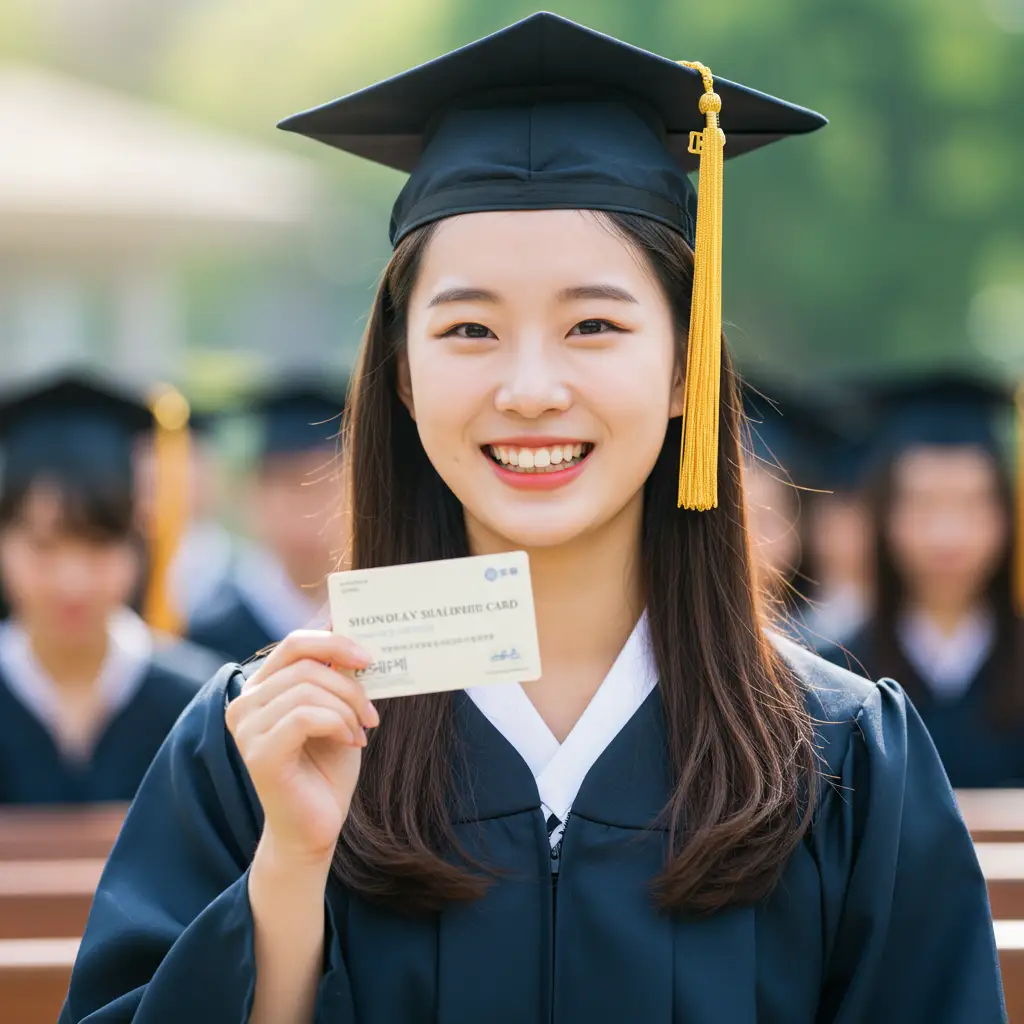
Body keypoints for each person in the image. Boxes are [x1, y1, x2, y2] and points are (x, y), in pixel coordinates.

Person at [60, 14, 1004, 1023]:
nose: (530, 389)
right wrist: (289, 869)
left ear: (684, 367)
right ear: (402, 375)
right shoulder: (266, 741)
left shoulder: (840, 756)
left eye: (593, 324)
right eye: (470, 328)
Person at [0, 371, 215, 804]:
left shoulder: (203, 704)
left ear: (140, 541)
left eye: (100, 545)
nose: (72, 581)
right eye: (43, 546)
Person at [827, 372, 1024, 788]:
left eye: (972, 504)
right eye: (922, 504)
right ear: (884, 515)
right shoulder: (834, 672)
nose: (947, 535)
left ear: (1007, 515)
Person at [185, 381, 346, 663]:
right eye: (292, 487)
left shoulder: (380, 616)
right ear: (253, 493)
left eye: (328, 487)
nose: (310, 511)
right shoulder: (209, 631)